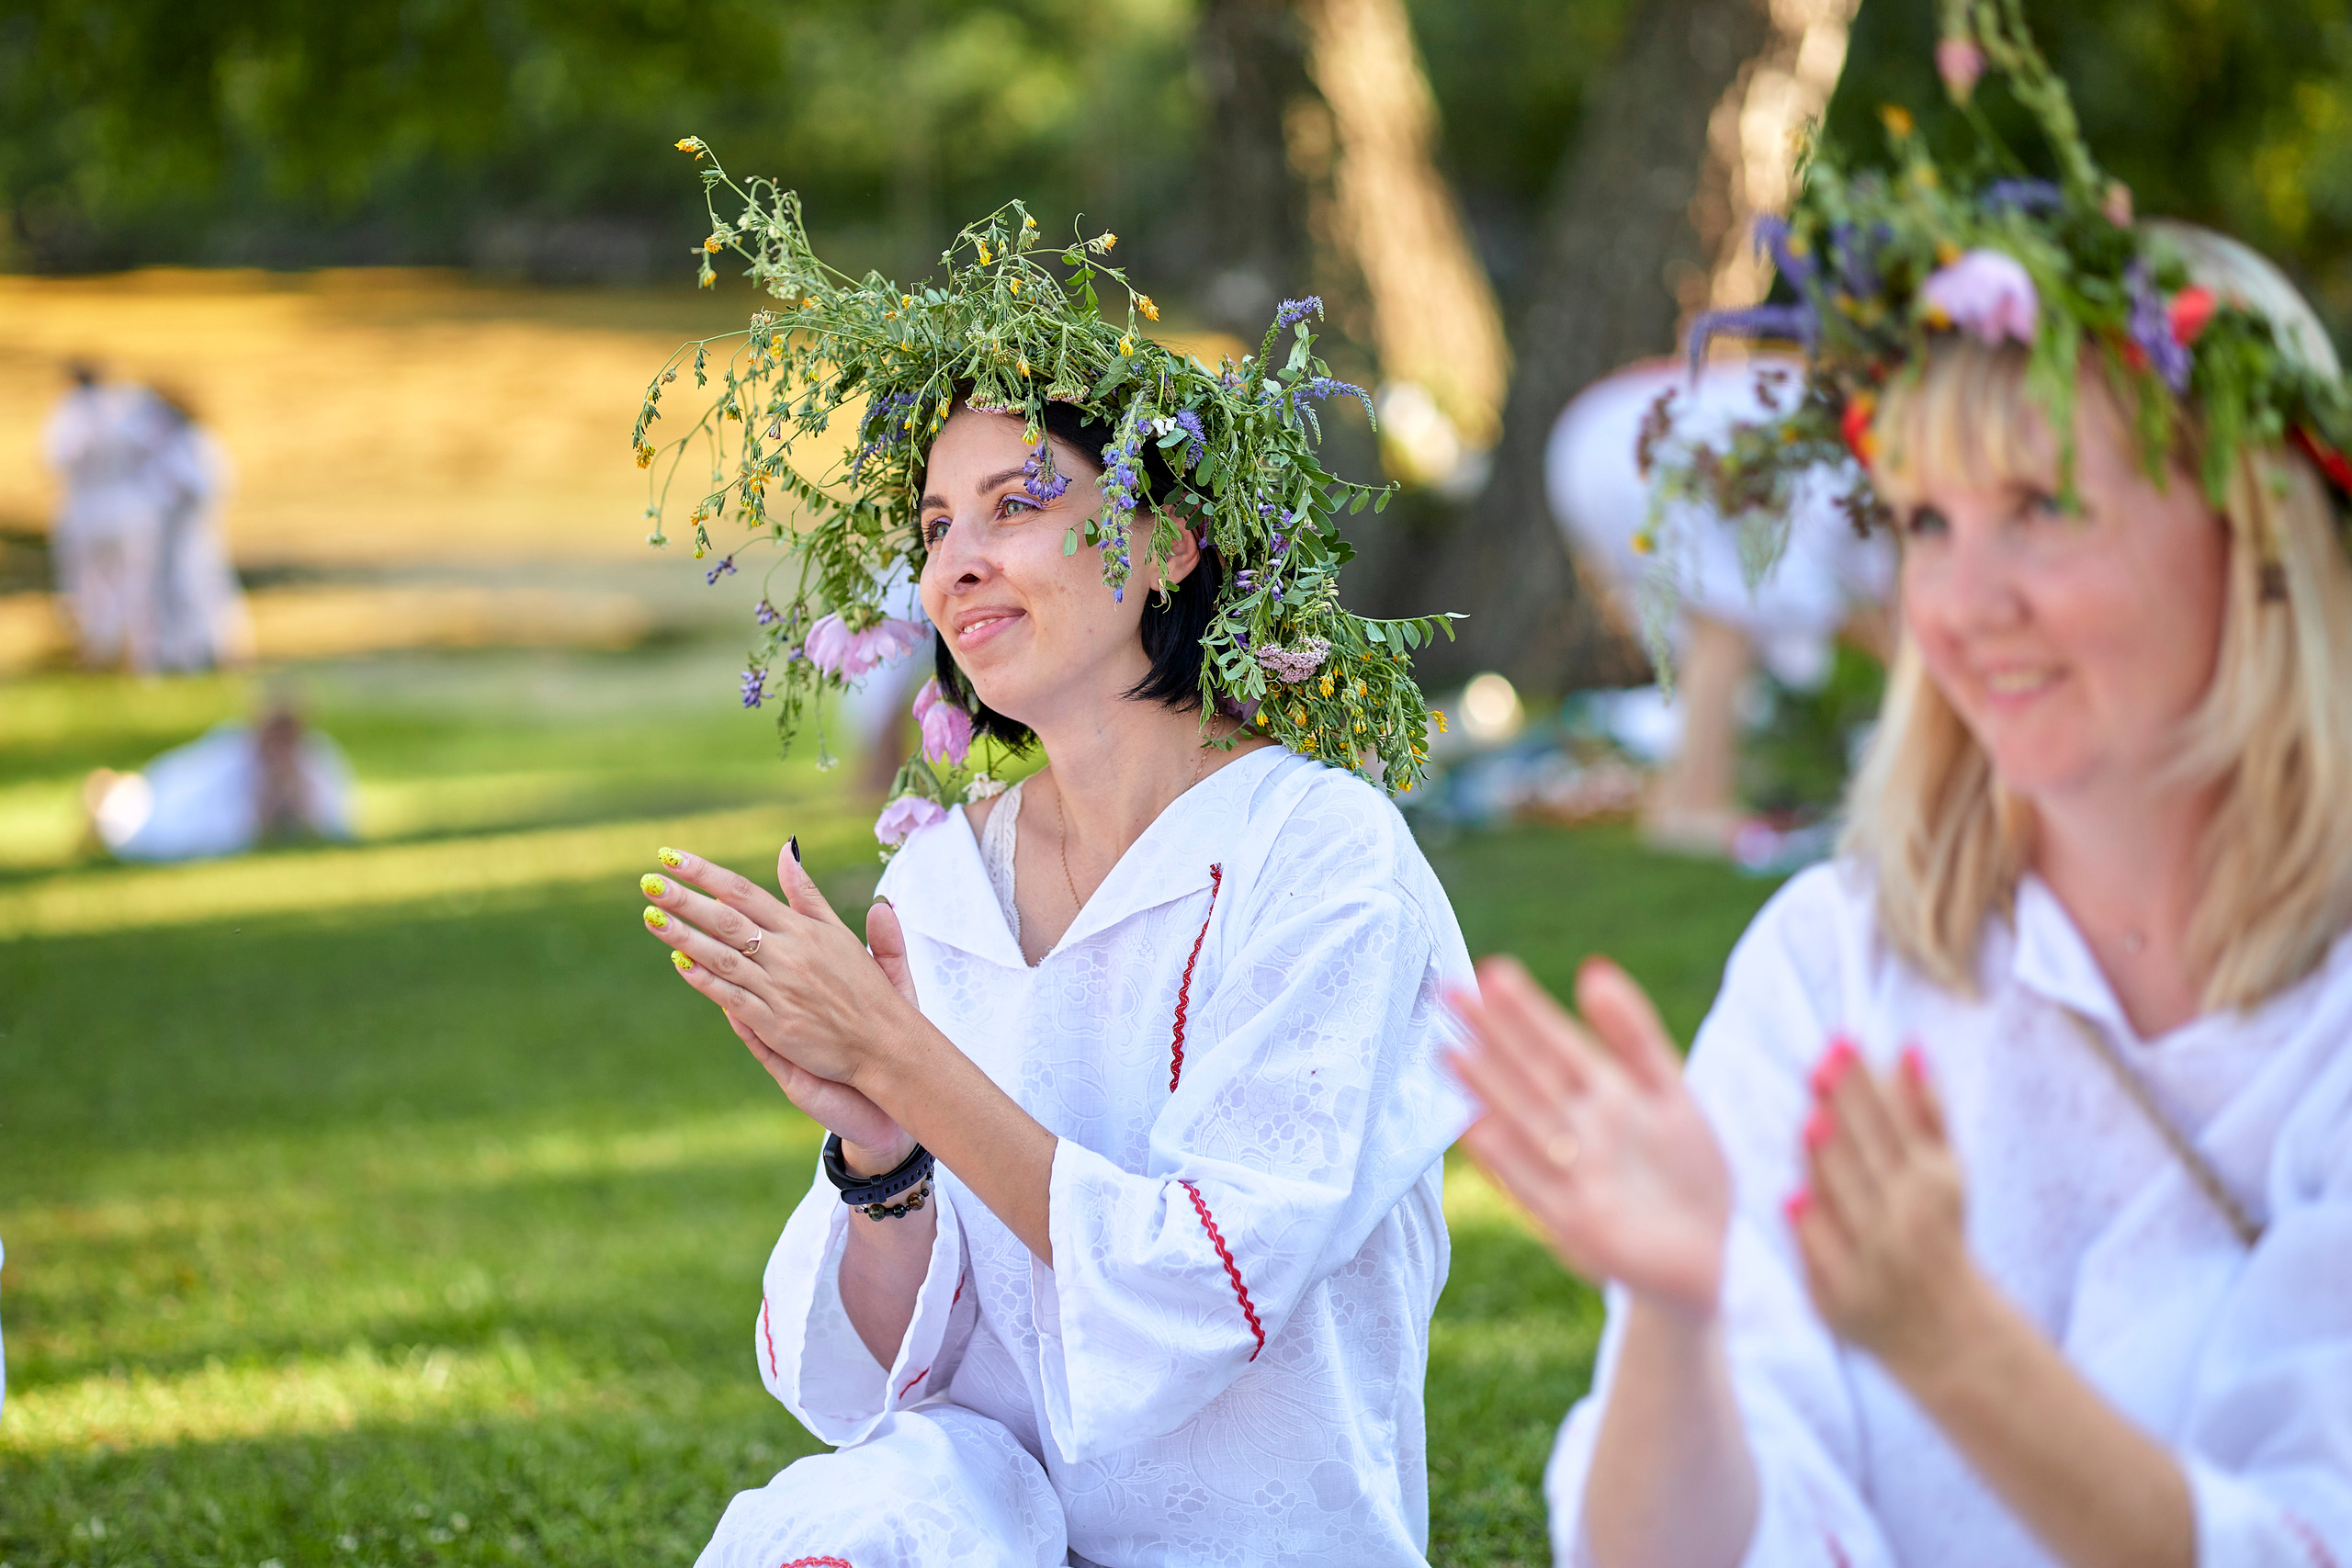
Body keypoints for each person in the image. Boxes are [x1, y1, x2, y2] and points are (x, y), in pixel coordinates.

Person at [1450, 17, 2352, 1568]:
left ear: (2250, 542)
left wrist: (1952, 1345)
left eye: (2040, 509)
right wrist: (1672, 1314)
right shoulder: (1834, 960)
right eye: (1928, 520)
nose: (1964, 598)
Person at [632, 165, 1469, 1568]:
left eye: (1016, 503)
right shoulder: (941, 885)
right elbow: (901, 1365)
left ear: (1166, 541)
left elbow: (1208, 1278)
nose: (958, 561)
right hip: (990, 1521)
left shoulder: (1321, 858)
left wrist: (905, 1064)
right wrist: (879, 1154)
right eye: (937, 526)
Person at [1547, 355, 1893, 853]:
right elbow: (1834, 599)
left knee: (1723, 617)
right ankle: (1695, 809)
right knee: (1727, 619)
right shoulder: (1852, 462)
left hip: (1604, 437)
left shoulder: (1846, 432)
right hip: (1631, 449)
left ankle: (1681, 799)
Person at [86, 702, 354, 862]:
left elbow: (330, 821)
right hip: (165, 799)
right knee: (134, 814)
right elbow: (195, 792)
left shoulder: (314, 758)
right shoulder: (234, 754)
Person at [43, 360, 171, 671]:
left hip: (86, 510)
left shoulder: (69, 412)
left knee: (90, 587)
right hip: (129, 508)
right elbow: (156, 447)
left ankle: (102, 652)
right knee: (134, 585)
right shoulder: (127, 406)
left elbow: (54, 458)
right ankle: (139, 657)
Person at [144, 387, 252, 673]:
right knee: (173, 592)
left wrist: (179, 488)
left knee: (197, 589)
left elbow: (207, 486)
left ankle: (211, 651)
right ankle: (180, 654)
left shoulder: (197, 442)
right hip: (174, 529)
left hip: (195, 529)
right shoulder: (172, 443)